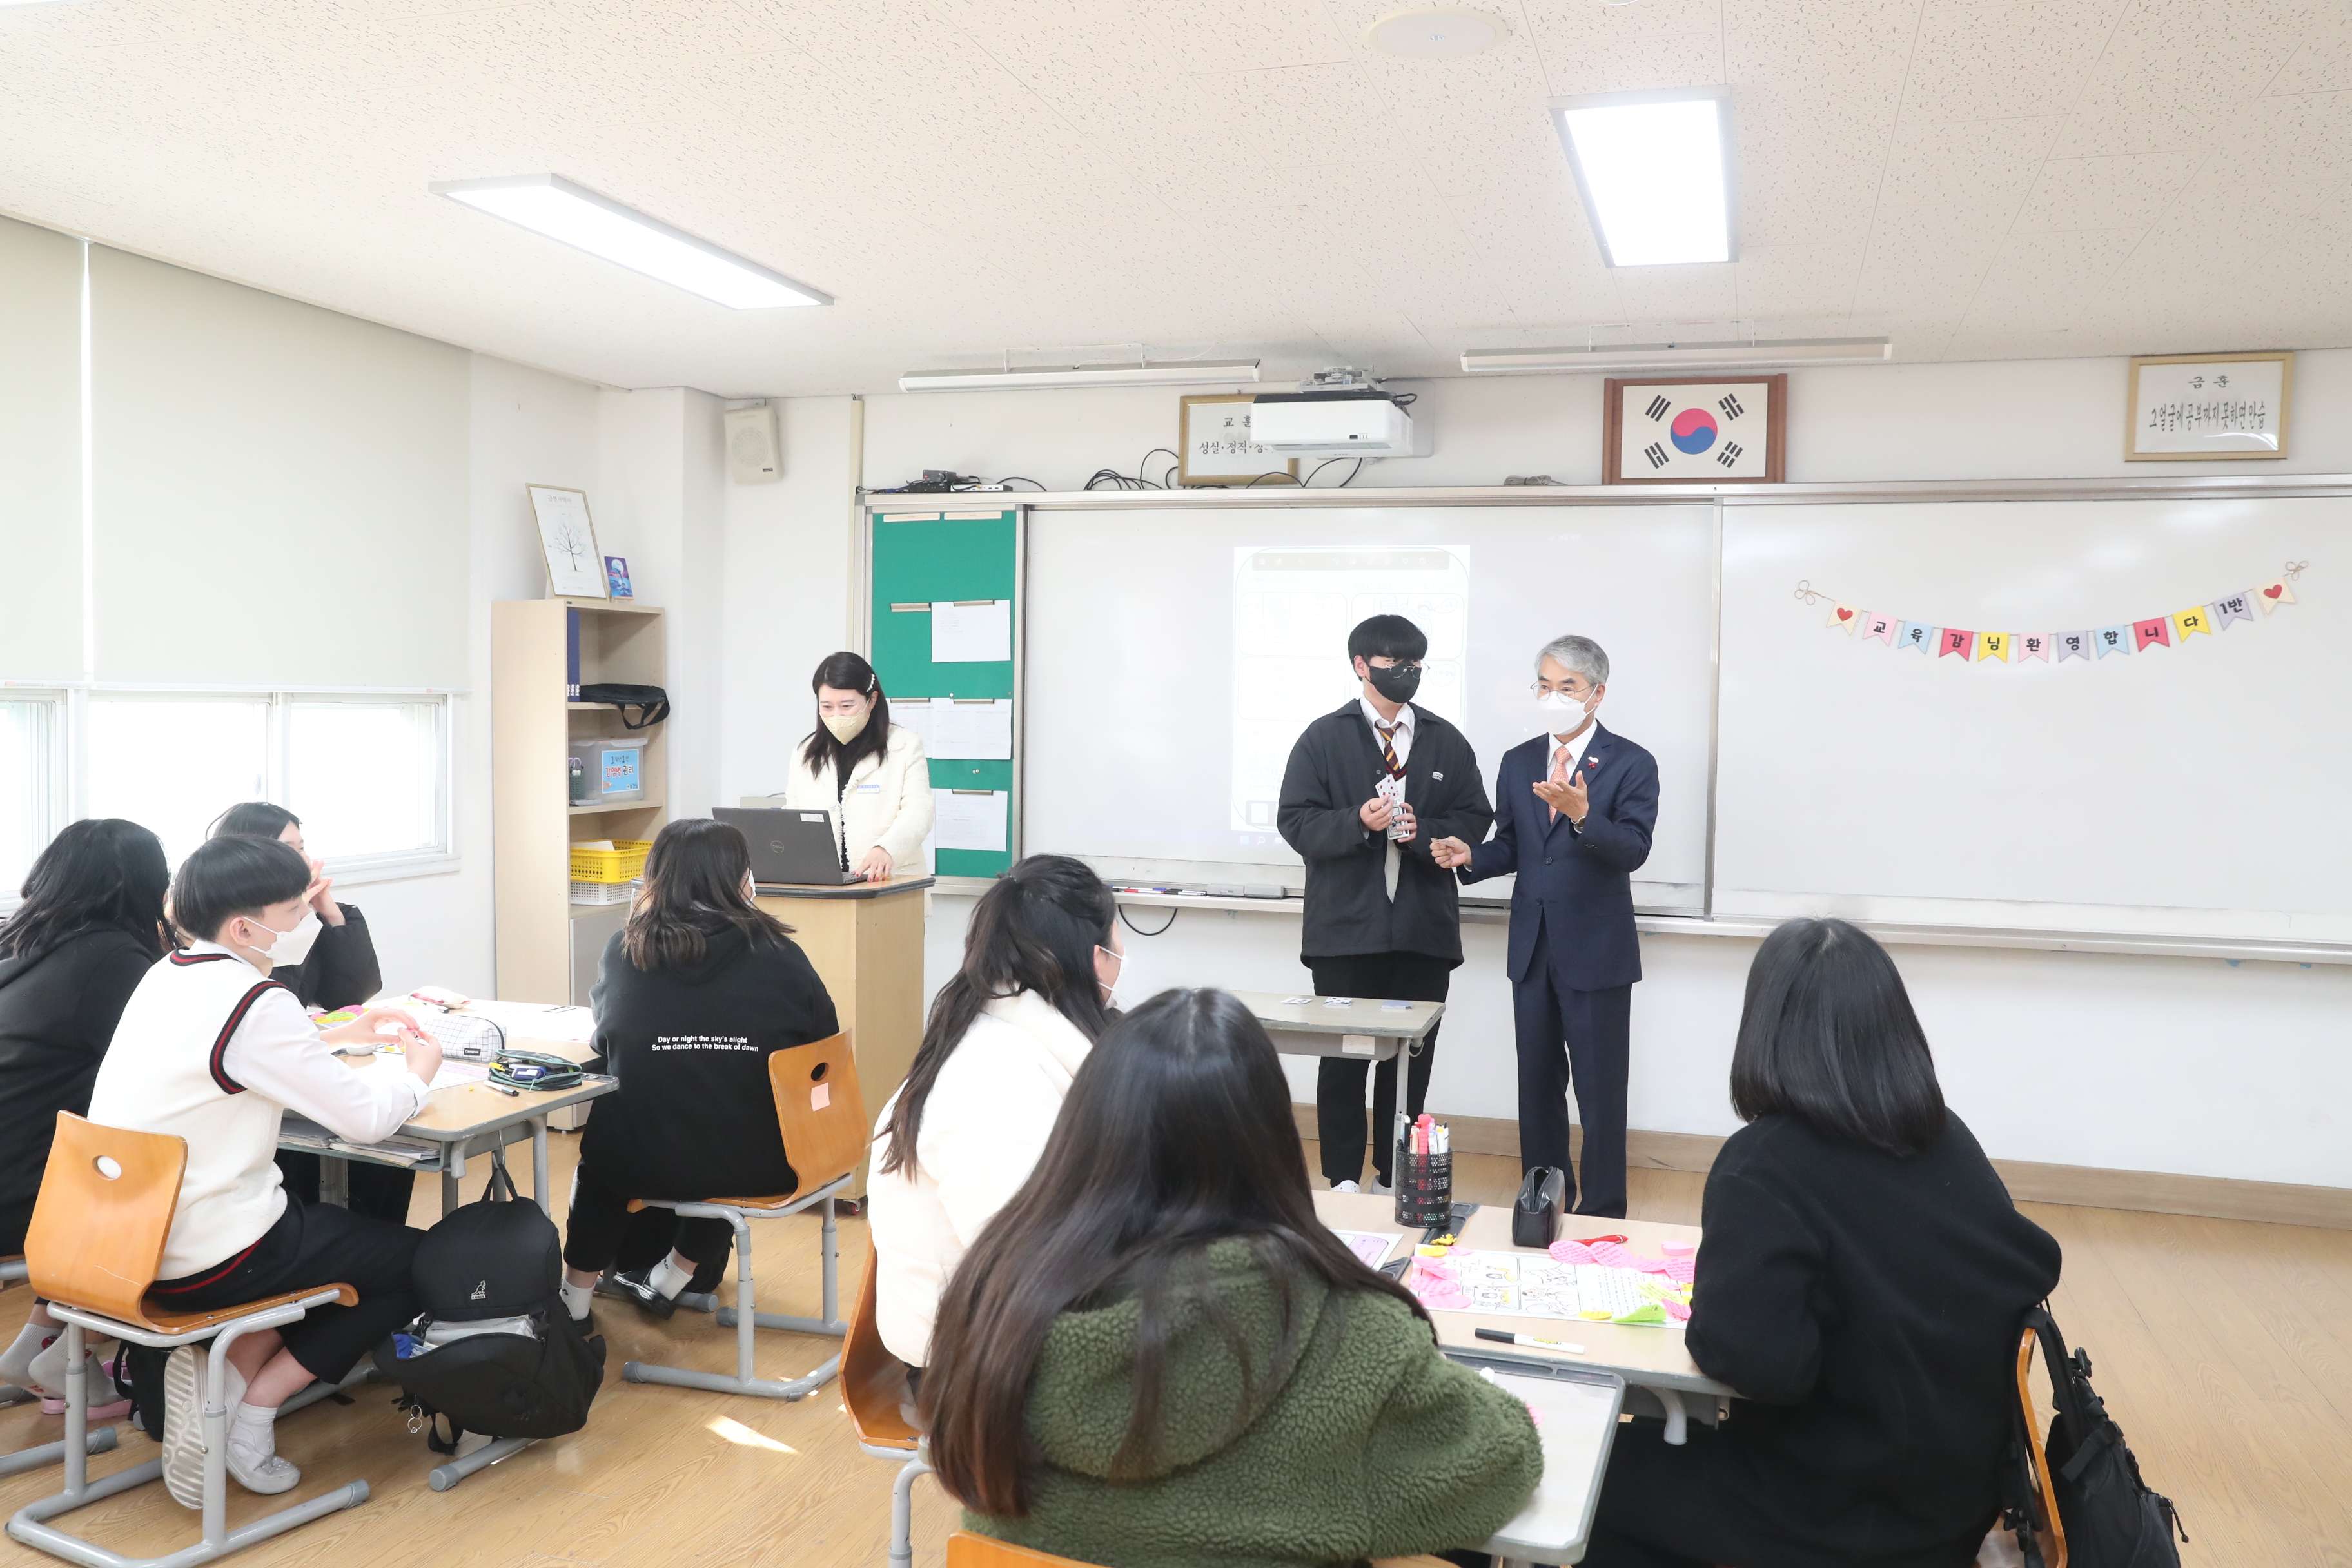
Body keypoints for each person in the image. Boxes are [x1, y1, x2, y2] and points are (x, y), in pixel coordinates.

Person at [921, 986, 1542, 1568]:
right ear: (1272, 1142)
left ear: (1085, 1133)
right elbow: (1500, 1461)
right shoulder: (1353, 1337)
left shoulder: (994, 1299)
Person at [1584, 919, 2064, 1568]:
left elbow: (1759, 1365)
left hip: (1837, 1513)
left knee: (1590, 1472)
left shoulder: (1762, 1164)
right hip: (1954, 1506)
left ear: (1765, 1028)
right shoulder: (1951, 1140)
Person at [85, 834, 439, 1504]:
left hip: (116, 1242)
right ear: (244, 925)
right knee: (417, 1262)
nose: (303, 924)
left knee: (326, 1239)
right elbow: (367, 1119)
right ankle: (252, 1412)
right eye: (293, 910)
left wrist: (336, 1035)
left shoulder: (168, 973)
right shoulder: (257, 999)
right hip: (208, 1252)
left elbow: (227, 1056)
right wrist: (418, 1075)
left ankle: (228, 1371)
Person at [560, 817, 841, 1322]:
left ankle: (574, 1302)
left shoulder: (627, 949)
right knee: (737, 1117)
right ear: (740, 879)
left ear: (655, 879)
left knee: (604, 1157)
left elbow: (604, 1040)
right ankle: (675, 1274)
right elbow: (824, 1048)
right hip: (762, 1166)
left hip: (637, 1161)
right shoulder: (783, 957)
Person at [865, 854, 1121, 1369]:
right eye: (1117, 943)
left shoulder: (1007, 1034)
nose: (1121, 958)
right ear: (1093, 958)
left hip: (997, 1336)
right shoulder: (995, 1083)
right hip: (978, 1372)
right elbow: (1025, 1270)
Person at [1431, 635, 1656, 1218]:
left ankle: (1603, 1207)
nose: (1553, 696)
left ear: (1597, 693)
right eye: (1545, 684)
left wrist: (1584, 815)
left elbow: (1633, 849)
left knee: (1600, 1092)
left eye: (1568, 687)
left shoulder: (1631, 762)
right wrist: (1471, 857)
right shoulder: (1518, 759)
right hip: (1532, 947)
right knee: (1537, 1087)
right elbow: (1513, 842)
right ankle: (1543, 1198)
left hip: (1597, 951)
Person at [1278, 613, 1491, 1194]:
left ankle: (1393, 1174)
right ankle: (1345, 1178)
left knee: (1409, 1062)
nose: (1407, 674)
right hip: (1345, 932)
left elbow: (1476, 817)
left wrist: (1424, 833)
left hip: (1424, 931)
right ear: (1360, 666)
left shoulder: (1445, 738)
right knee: (1344, 1061)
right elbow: (1295, 822)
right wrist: (1357, 821)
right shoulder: (1323, 737)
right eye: (1396, 664)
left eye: (1416, 665)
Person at [0, 819, 170, 1413]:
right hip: (22, 1192)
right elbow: (172, 1063)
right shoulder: (112, 958)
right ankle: (77, 1351)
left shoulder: (19, 940)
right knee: (165, 1190)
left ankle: (40, 1346)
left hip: (15, 1164)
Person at [210, 801, 411, 1226]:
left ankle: (363, 1233)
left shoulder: (302, 918)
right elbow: (267, 1008)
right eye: (290, 849)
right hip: (252, 1114)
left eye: (303, 847)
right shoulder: (236, 938)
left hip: (291, 1064)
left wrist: (329, 913)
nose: (304, 861)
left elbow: (351, 994)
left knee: (385, 1152)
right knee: (371, 1123)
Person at [778, 651, 935, 882]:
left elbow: (919, 811)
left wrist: (887, 848)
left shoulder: (905, 746)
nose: (837, 715)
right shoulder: (805, 753)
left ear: (872, 700)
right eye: (827, 707)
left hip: (890, 881)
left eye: (847, 705)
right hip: (822, 884)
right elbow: (793, 816)